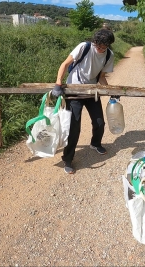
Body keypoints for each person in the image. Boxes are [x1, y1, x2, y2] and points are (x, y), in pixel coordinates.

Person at [51, 29, 115, 174]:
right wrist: (58, 83)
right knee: (74, 127)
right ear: (94, 42)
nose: (99, 49)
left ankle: (95, 143)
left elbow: (101, 77)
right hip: (74, 91)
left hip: (91, 91)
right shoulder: (84, 47)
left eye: (103, 47)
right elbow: (65, 64)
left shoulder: (109, 55)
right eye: (98, 45)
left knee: (99, 123)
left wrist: (112, 92)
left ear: (108, 45)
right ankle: (67, 159)